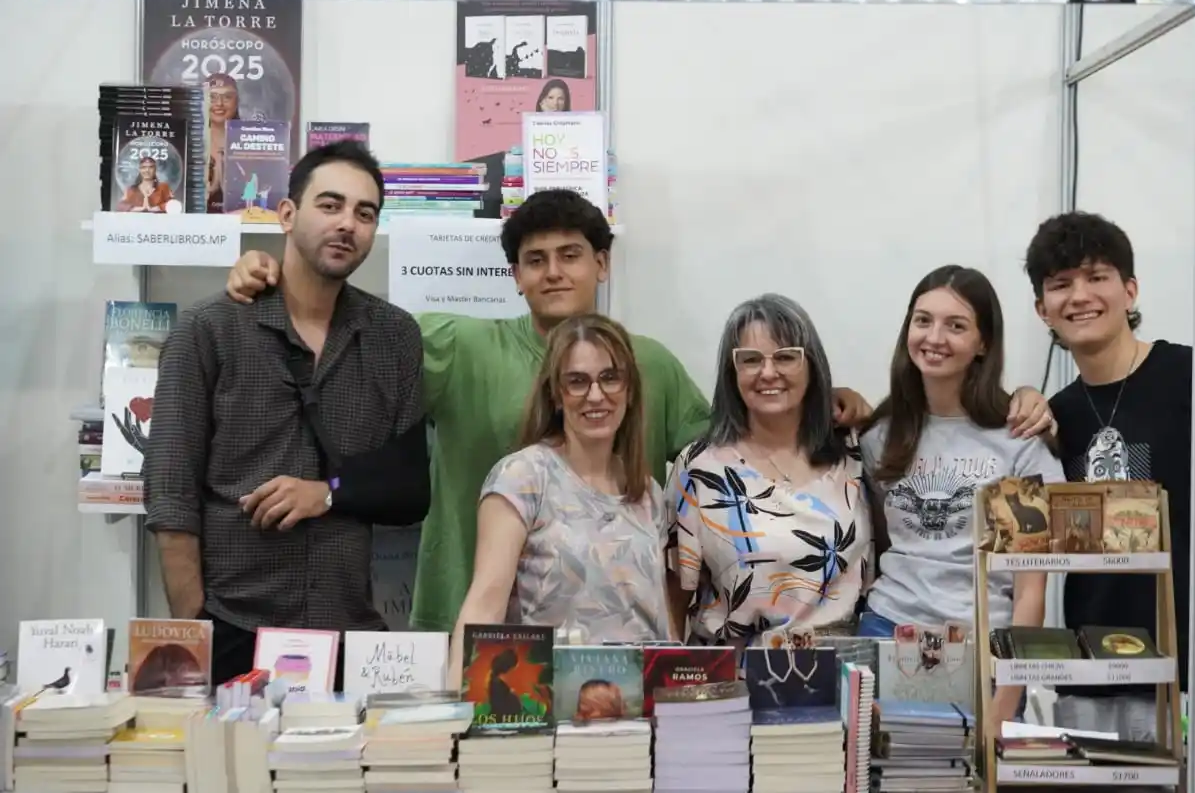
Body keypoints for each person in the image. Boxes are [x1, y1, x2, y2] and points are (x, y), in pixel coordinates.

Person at [223, 190, 1053, 633]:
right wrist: (274, 270)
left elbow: (734, 444)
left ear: (603, 265)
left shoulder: (656, 373)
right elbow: (356, 335)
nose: (554, 273)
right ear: (514, 276)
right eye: (536, 260)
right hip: (478, 624)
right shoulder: (460, 346)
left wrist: (846, 412)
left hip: (681, 663)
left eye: (571, 256)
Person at [144, 141, 431, 686]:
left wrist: (324, 492)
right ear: (287, 214)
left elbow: (410, 490)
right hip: (232, 626)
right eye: (330, 205)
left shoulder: (395, 336)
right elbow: (171, 495)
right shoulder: (208, 331)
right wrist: (196, 626)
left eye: (364, 213)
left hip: (348, 634)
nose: (347, 223)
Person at [1024, 211, 1195, 739]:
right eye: (1060, 284)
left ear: (1130, 290)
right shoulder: (1058, 415)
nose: (1080, 296)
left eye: (1097, 277)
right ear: (1042, 309)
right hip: (1092, 681)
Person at [855, 265, 1062, 726]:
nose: (935, 337)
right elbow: (884, 543)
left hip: (982, 646)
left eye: (956, 325)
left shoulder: (1018, 439)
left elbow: (1031, 589)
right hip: (888, 633)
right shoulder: (881, 437)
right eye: (923, 320)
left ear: (983, 343)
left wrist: (1008, 697)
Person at [448, 315, 671, 685]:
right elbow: (485, 605)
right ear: (555, 393)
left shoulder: (648, 492)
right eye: (577, 381)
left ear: (630, 391)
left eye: (610, 377)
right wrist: (453, 719)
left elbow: (661, 620)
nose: (596, 395)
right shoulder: (522, 477)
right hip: (551, 713)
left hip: (641, 717)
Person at [667, 294, 874, 647]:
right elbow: (674, 593)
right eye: (749, 360)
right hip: (733, 677)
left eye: (785, 357)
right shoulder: (699, 468)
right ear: (732, 373)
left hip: (840, 674)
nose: (767, 372)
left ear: (812, 366)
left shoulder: (854, 453)